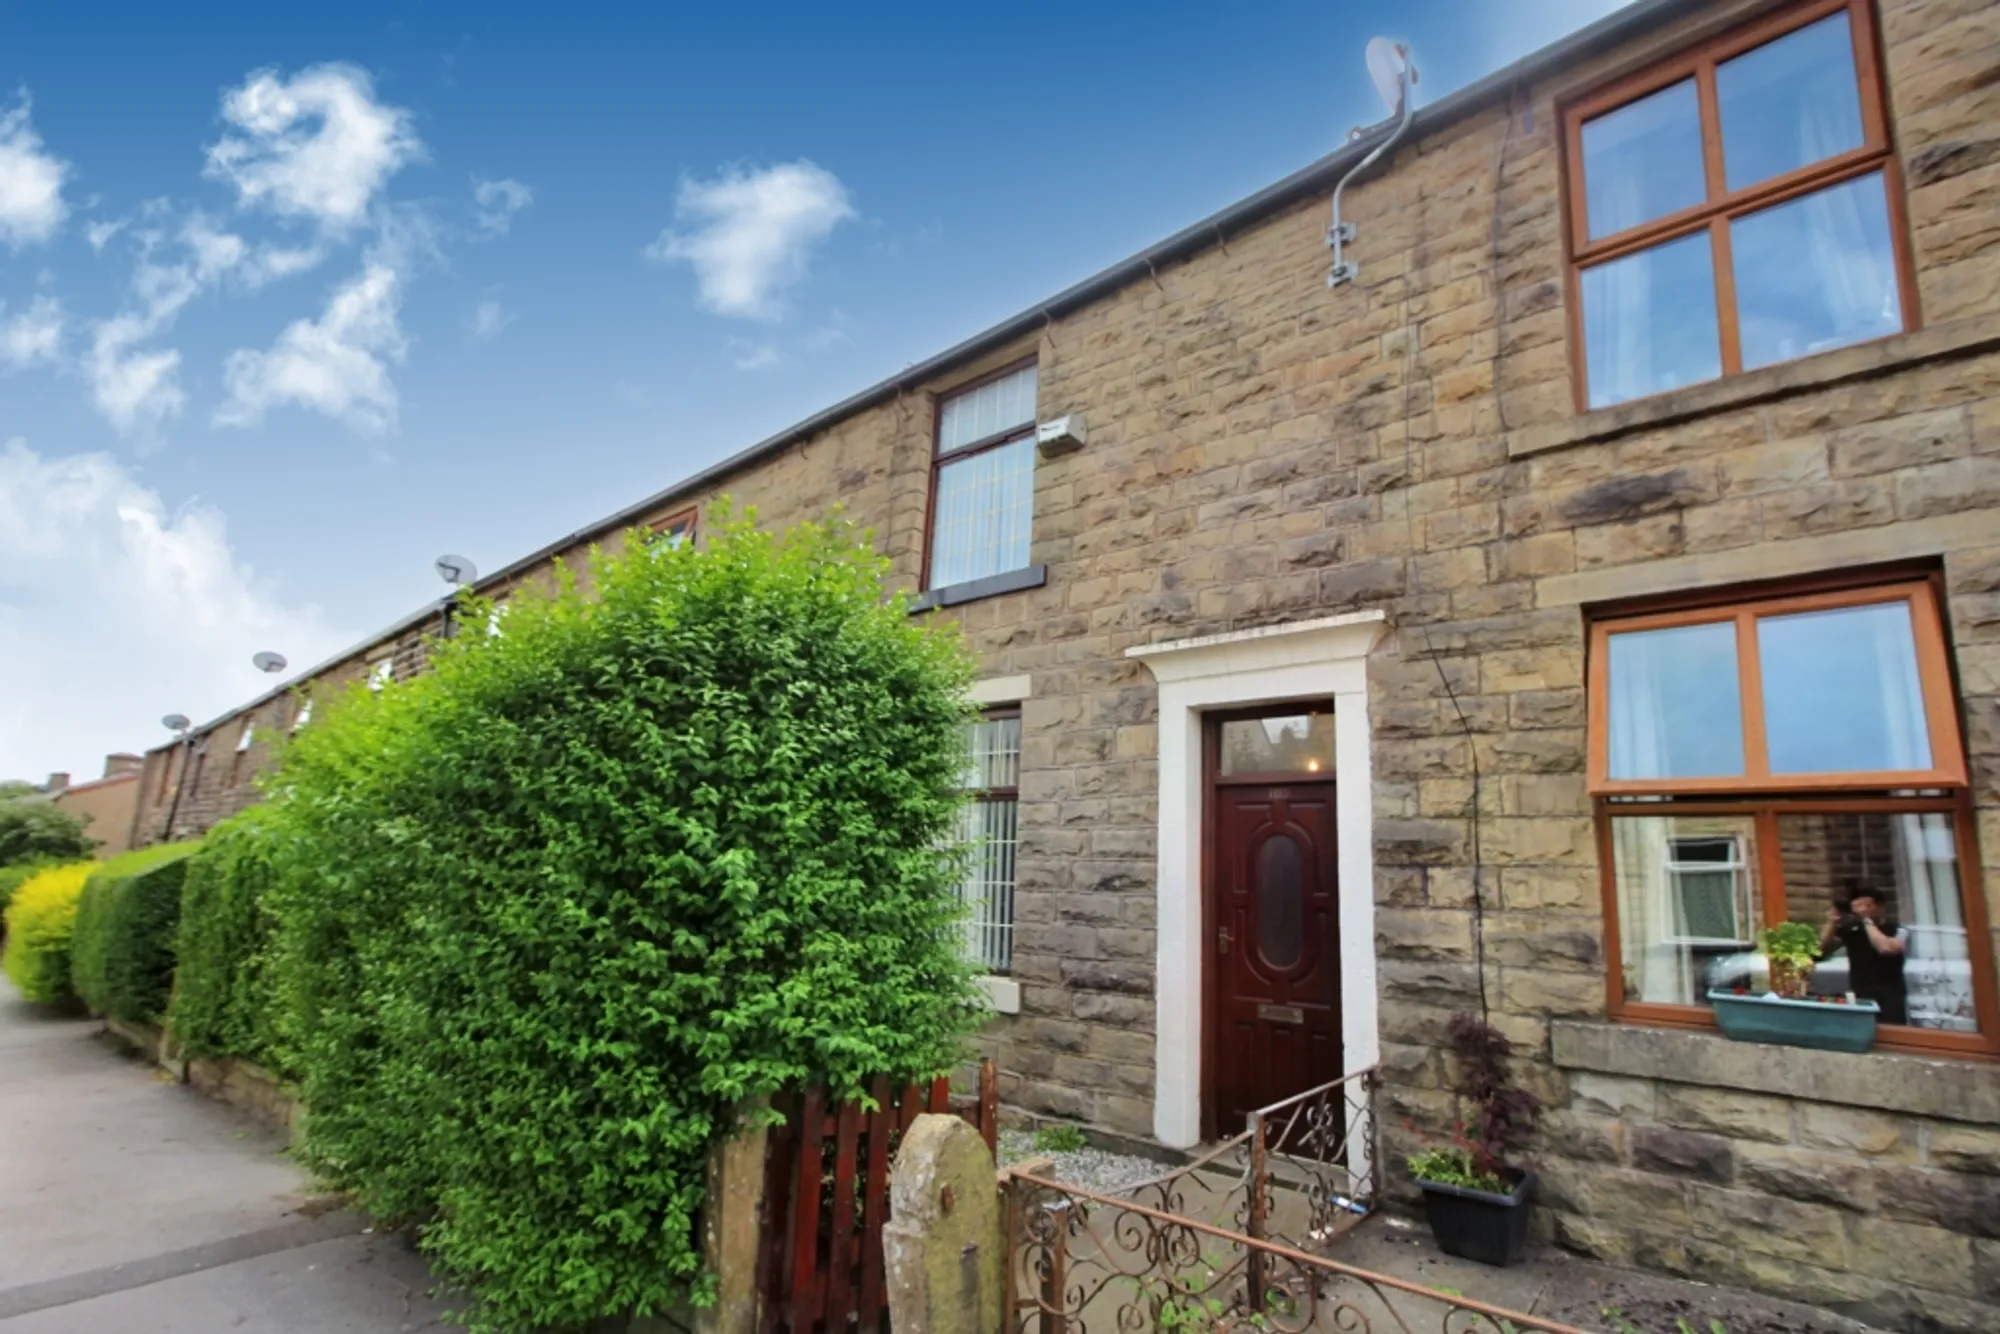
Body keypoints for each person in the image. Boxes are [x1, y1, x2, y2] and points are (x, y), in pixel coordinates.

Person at [1821, 894, 1908, 1025]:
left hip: (1889, 995)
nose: (1862, 910)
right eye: (1858, 906)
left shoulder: (1897, 929)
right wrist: (1832, 923)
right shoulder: (1853, 931)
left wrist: (1866, 920)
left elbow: (1885, 948)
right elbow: (1819, 952)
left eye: (1867, 906)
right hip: (1861, 993)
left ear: (1880, 908)